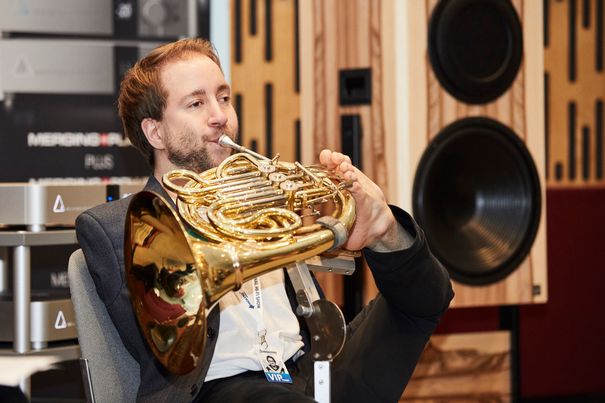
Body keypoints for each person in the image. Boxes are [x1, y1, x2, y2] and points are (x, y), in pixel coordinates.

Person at [75, 37, 453, 403]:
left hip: (305, 374)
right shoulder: (121, 226)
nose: (220, 116)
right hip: (216, 387)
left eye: (224, 97)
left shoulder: (265, 200)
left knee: (419, 300)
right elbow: (165, 345)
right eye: (196, 103)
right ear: (155, 131)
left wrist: (383, 228)